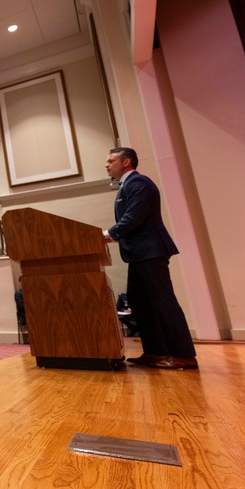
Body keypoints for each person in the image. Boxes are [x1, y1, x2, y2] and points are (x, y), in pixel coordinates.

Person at [103, 147, 197, 370]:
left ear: (126, 162)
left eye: (111, 161)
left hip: (150, 252)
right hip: (139, 253)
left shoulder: (139, 184)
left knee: (163, 302)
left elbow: (133, 218)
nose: (106, 165)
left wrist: (108, 234)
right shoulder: (128, 186)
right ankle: (155, 352)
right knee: (139, 302)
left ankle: (184, 355)